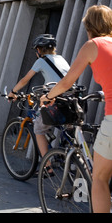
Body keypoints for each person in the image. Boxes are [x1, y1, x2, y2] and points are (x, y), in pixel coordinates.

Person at [39, 5, 112, 213]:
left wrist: (48, 97)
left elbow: (67, 83)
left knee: (100, 178)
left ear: (90, 26)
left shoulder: (92, 45)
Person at [8, 34, 70, 163]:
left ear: (38, 50)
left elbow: (25, 79)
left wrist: (13, 92)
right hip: (70, 98)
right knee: (67, 127)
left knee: (39, 129)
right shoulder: (60, 58)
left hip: (55, 100)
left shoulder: (41, 61)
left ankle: (48, 166)